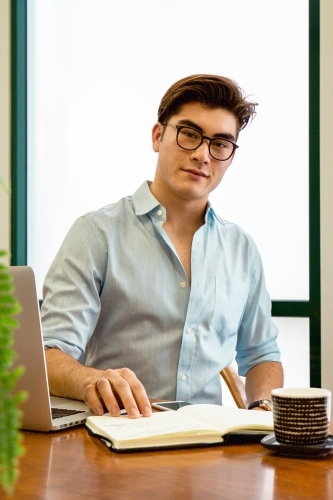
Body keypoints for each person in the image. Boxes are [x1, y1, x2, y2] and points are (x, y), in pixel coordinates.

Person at [41, 74, 283, 419]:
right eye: (189, 135)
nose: (203, 155)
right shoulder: (96, 233)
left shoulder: (241, 248)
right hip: (117, 437)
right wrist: (91, 380)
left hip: (210, 446)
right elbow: (50, 352)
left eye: (220, 144)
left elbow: (262, 355)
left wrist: (261, 405)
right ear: (158, 136)